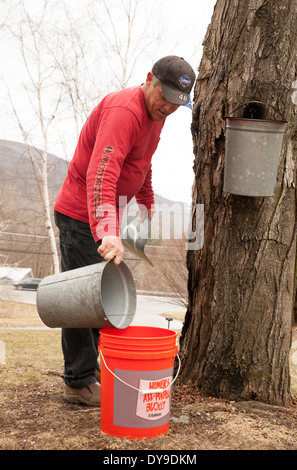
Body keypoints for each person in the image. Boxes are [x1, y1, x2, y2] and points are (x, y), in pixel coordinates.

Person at [54, 55, 196, 406]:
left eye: (178, 103)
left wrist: (145, 209)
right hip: (78, 216)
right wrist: (108, 231)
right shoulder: (125, 112)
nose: (169, 107)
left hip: (104, 217)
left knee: (101, 298)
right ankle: (78, 381)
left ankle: (93, 372)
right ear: (149, 79)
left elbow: (141, 164)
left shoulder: (156, 115)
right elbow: (100, 175)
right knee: (81, 302)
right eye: (164, 97)